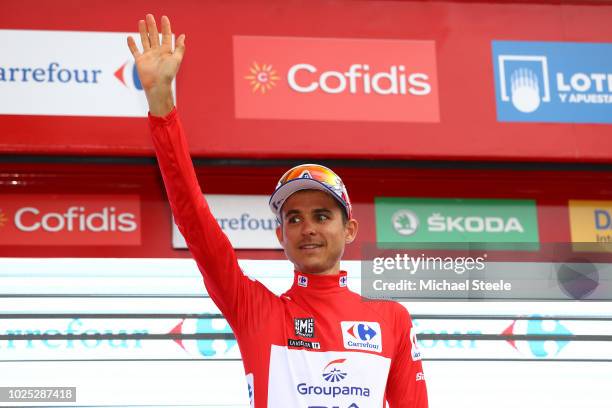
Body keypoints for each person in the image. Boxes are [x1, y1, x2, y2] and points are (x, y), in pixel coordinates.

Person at [128, 14, 428, 407]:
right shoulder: (255, 308)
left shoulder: (391, 320)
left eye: (322, 215)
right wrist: (162, 106)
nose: (307, 228)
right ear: (279, 235)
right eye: (293, 218)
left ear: (349, 229)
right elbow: (193, 219)